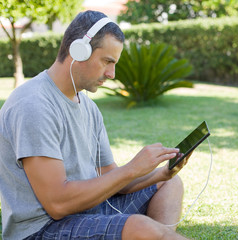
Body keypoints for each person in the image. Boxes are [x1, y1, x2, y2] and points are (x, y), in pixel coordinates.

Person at [0, 10, 191, 240]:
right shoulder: (33, 104)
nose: (111, 74)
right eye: (107, 62)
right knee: (140, 227)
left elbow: (113, 179)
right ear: (78, 50)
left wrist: (159, 174)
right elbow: (57, 204)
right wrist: (131, 169)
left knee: (170, 185)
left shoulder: (88, 107)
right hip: (43, 229)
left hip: (88, 209)